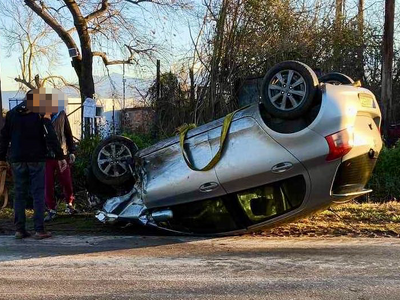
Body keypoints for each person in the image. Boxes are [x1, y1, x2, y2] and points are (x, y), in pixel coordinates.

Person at [0, 89, 66, 239]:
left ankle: (19, 230)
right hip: (36, 158)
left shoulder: (12, 114)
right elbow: (50, 135)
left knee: (19, 194)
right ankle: (39, 230)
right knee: (37, 193)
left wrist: (2, 158)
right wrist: (60, 156)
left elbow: (4, 137)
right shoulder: (41, 113)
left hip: (17, 159)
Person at [45, 108, 76, 221]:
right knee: (48, 183)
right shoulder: (42, 115)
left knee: (66, 181)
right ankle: (51, 208)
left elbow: (68, 133)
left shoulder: (61, 114)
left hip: (62, 154)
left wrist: (72, 151)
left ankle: (69, 203)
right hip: (46, 155)